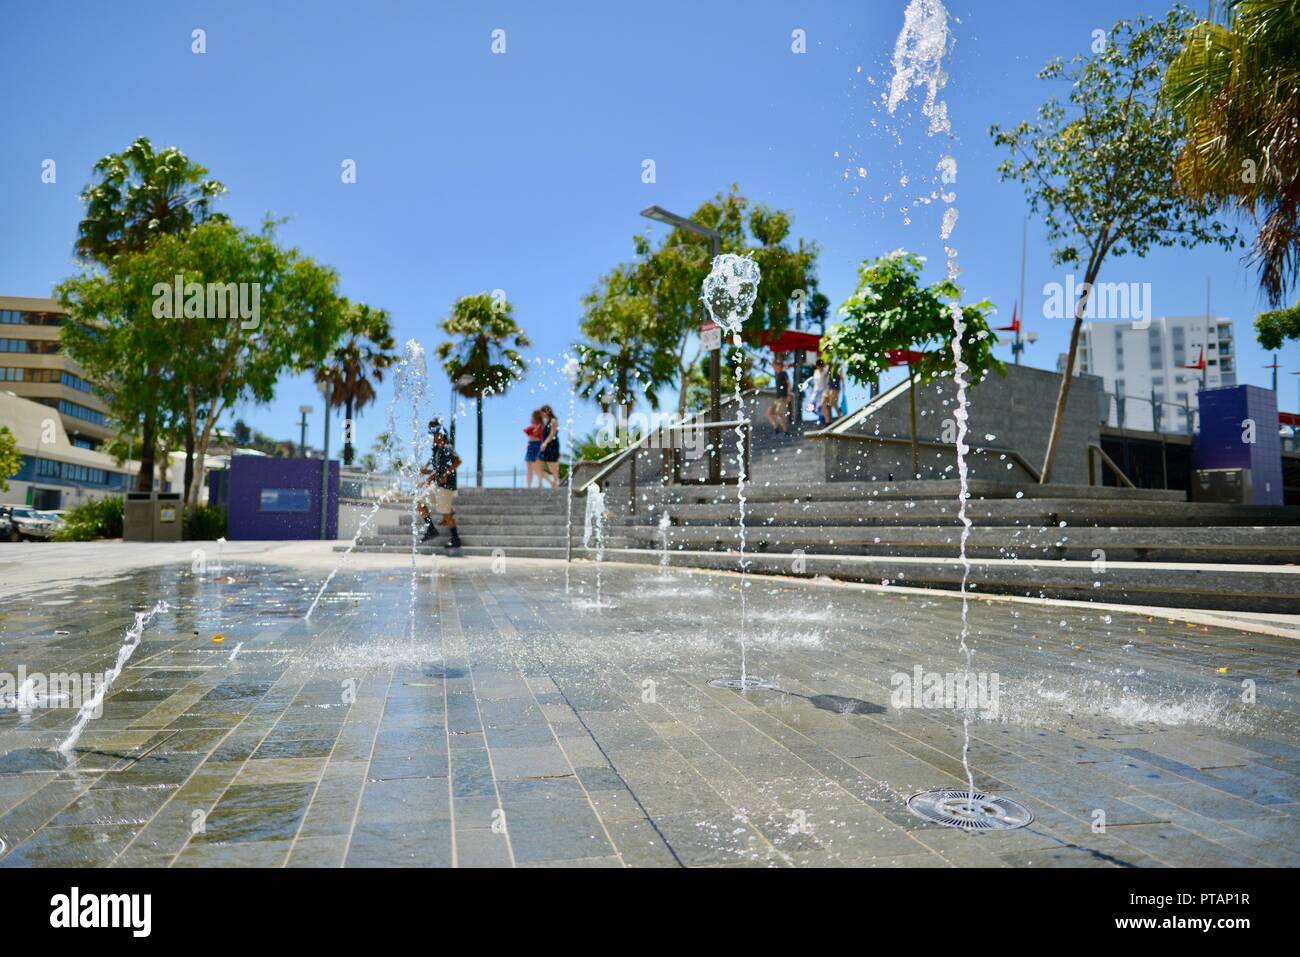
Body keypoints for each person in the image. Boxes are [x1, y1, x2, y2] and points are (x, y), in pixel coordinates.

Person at [419, 420, 462, 548]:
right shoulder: (438, 450)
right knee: (420, 503)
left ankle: (455, 539)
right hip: (437, 486)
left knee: (446, 515)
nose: (433, 436)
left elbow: (457, 462)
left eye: (435, 434)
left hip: (446, 487)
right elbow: (437, 469)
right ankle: (431, 529)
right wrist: (428, 480)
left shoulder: (447, 447)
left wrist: (445, 474)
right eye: (431, 434)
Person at [538, 404, 561, 488]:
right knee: (542, 465)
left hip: (552, 445)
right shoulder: (546, 422)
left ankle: (556, 483)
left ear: (547, 412)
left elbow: (552, 434)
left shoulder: (553, 421)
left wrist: (545, 443)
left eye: (543, 412)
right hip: (547, 445)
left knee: (553, 465)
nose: (542, 414)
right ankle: (553, 482)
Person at [766, 357, 791, 433]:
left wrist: (788, 395)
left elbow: (789, 384)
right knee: (769, 413)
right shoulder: (776, 374)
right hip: (777, 399)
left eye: (774, 365)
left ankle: (786, 431)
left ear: (779, 366)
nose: (773, 367)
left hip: (783, 398)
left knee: (779, 414)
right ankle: (776, 428)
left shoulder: (784, 373)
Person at [523, 409, 544, 488]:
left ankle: (540, 483)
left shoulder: (540, 426)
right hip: (531, 445)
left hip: (537, 445)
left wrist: (532, 432)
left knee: (537, 466)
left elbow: (534, 433)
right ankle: (528, 486)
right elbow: (528, 432)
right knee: (529, 467)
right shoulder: (534, 426)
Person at [811, 360, 829, 426]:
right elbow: (815, 383)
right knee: (812, 406)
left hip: (823, 391)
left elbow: (827, 382)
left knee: (821, 406)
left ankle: (823, 419)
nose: (819, 367)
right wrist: (813, 392)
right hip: (816, 391)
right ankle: (822, 418)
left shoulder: (825, 372)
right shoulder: (815, 372)